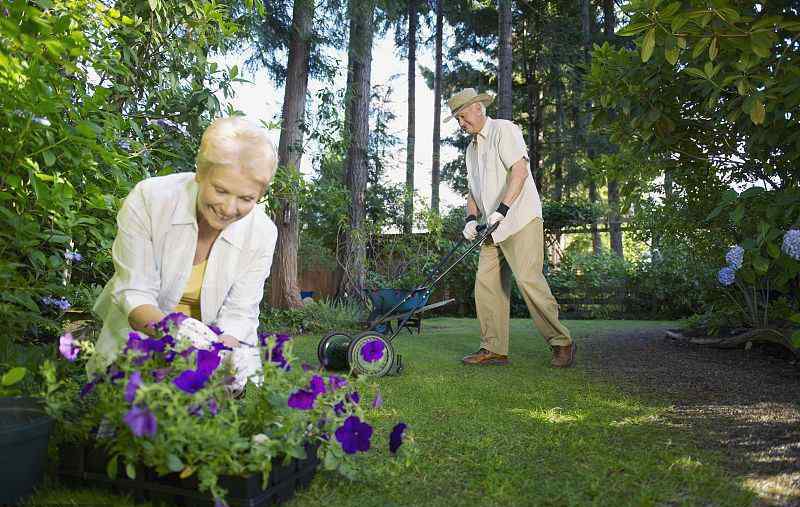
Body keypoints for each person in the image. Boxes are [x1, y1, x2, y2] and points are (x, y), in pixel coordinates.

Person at [89, 117, 279, 387]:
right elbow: (134, 292)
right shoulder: (150, 199)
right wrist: (173, 331)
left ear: (259, 195)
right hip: (144, 334)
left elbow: (239, 313)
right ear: (201, 172)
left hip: (215, 342)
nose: (228, 207)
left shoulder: (262, 232)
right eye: (221, 190)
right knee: (133, 416)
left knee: (215, 418)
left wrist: (220, 355)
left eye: (246, 198)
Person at [446, 88, 576, 368]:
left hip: (520, 219)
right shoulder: (471, 149)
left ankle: (561, 342)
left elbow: (519, 171)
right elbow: (473, 191)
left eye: (462, 116)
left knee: (529, 279)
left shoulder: (504, 130)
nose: (461, 123)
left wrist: (502, 210)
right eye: (457, 119)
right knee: (486, 285)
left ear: (478, 108)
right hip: (492, 229)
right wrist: (471, 218)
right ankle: (494, 349)